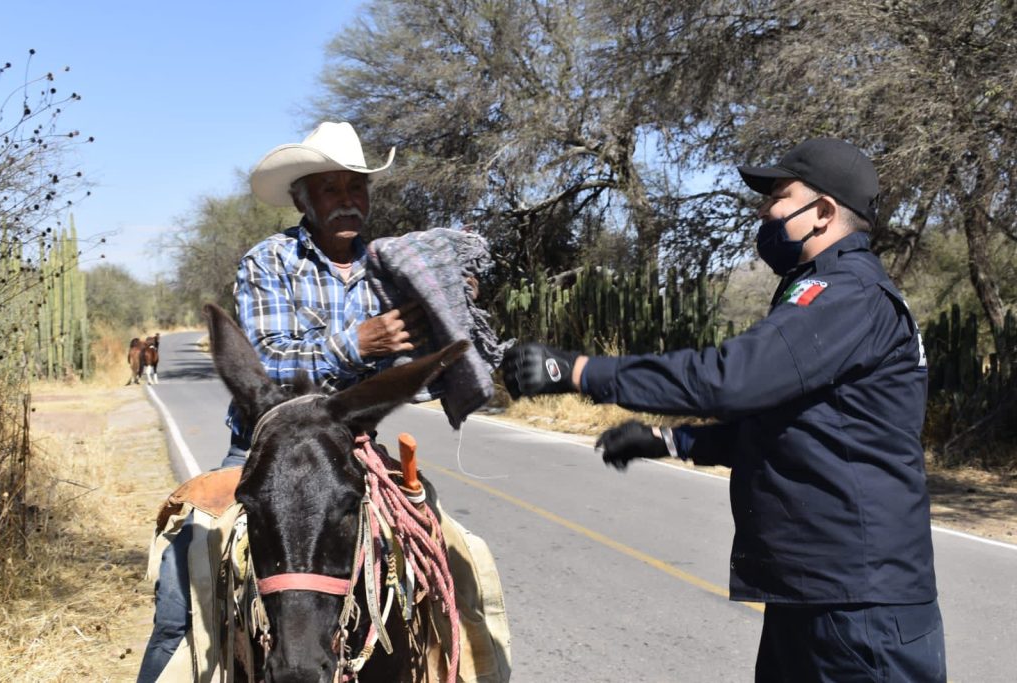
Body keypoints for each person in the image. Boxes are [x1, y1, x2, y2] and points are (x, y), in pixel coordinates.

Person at [502, 138, 946, 682]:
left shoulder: (848, 295)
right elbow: (789, 427)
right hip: (817, 594)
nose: (764, 212)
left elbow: (730, 379)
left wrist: (577, 372)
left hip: (860, 609)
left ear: (824, 212)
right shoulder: (824, 291)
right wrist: (671, 441)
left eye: (778, 197)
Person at [138, 121, 427, 681]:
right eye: (331, 189)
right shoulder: (268, 262)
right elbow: (266, 364)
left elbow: (415, 366)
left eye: (356, 187)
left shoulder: (394, 271)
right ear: (302, 199)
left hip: (353, 454)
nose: (348, 200)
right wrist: (354, 344)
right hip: (262, 452)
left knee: (454, 561)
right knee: (183, 598)